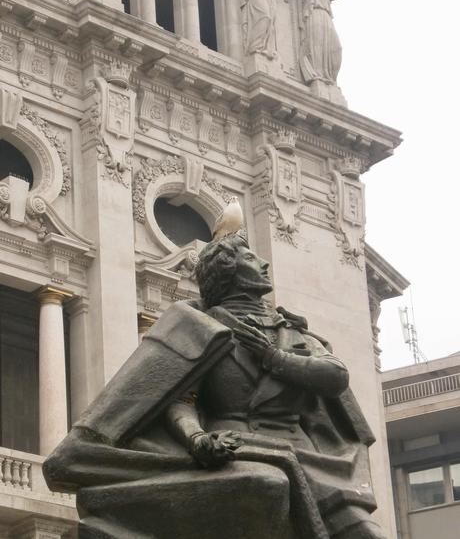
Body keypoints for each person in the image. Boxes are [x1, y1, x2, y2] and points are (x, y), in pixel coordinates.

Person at [44, 231, 385, 539]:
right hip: (238, 445)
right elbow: (180, 400)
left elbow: (335, 376)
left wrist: (273, 357)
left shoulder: (293, 333)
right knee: (267, 485)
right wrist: (197, 439)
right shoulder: (202, 329)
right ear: (228, 272)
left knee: (365, 532)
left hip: (309, 456)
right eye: (251, 258)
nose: (264, 263)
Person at [299, 0, 349, 86]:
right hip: (314, 16)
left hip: (326, 19)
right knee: (316, 45)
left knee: (336, 48)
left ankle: (330, 77)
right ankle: (318, 73)